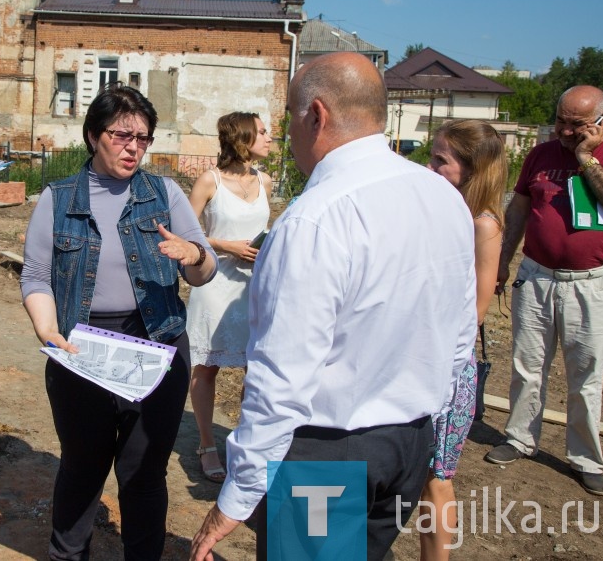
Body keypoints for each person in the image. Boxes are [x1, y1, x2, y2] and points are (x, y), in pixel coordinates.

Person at [190, 52, 477, 561]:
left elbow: (282, 380)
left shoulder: (313, 221)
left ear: (316, 116)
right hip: (409, 445)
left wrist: (235, 497)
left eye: (289, 121)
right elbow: (458, 337)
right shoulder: (441, 196)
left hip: (328, 454)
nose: (286, 136)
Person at [20, 84, 217, 560]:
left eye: (143, 138)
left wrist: (192, 254)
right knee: (83, 467)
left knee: (144, 471)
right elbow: (37, 275)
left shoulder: (163, 193)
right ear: (93, 135)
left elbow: (204, 265)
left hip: (155, 344)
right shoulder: (58, 198)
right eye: (122, 135)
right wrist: (48, 331)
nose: (134, 147)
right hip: (80, 346)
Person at [484, 86, 603, 497]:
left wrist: (586, 160)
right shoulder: (540, 155)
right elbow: (520, 209)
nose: (563, 130)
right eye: (560, 120)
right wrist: (502, 261)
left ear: (601, 123)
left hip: (591, 282)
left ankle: (585, 458)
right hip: (537, 275)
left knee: (586, 374)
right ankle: (520, 438)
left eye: (575, 124)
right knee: (527, 363)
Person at [420, 120, 507, 560]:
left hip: (445, 368)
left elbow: (475, 307)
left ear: (472, 169)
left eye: (441, 160)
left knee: (436, 480)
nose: (430, 166)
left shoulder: (483, 225)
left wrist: (437, 360)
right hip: (418, 358)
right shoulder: (442, 209)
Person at [185, 111, 273, 483]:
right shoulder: (209, 181)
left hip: (253, 290)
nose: (270, 138)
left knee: (257, 372)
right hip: (215, 284)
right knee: (207, 367)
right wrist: (224, 244)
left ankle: (245, 445)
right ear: (242, 138)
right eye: (263, 132)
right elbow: (184, 234)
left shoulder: (265, 181)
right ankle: (207, 444)